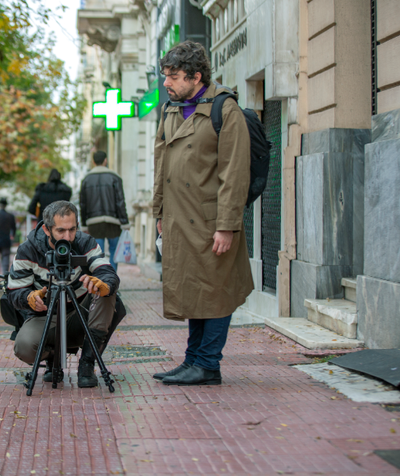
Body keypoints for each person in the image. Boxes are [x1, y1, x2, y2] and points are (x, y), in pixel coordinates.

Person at [152, 41, 254, 386]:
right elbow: (160, 164)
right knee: (196, 292)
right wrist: (159, 212)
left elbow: (234, 173)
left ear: (197, 77)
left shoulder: (225, 109)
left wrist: (227, 226)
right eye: (166, 75)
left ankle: (208, 364)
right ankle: (193, 360)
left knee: (215, 291)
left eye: (175, 76)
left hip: (211, 223)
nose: (167, 83)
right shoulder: (170, 109)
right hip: (180, 220)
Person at [7, 201, 120, 388]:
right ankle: (53, 359)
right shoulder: (28, 249)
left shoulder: (85, 242)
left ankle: (87, 363)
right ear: (46, 229)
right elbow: (14, 292)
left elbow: (107, 273)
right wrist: (29, 298)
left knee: (107, 292)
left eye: (72, 230)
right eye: (61, 231)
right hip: (45, 315)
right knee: (24, 347)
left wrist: (103, 284)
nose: (67, 237)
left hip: (80, 312)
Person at [79, 150, 129, 271]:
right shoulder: (115, 177)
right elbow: (120, 201)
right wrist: (124, 221)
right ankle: (112, 279)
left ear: (93, 162)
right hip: (113, 221)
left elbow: (83, 204)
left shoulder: (86, 179)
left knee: (98, 253)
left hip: (94, 222)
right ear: (105, 160)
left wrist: (84, 224)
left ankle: (100, 277)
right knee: (114, 251)